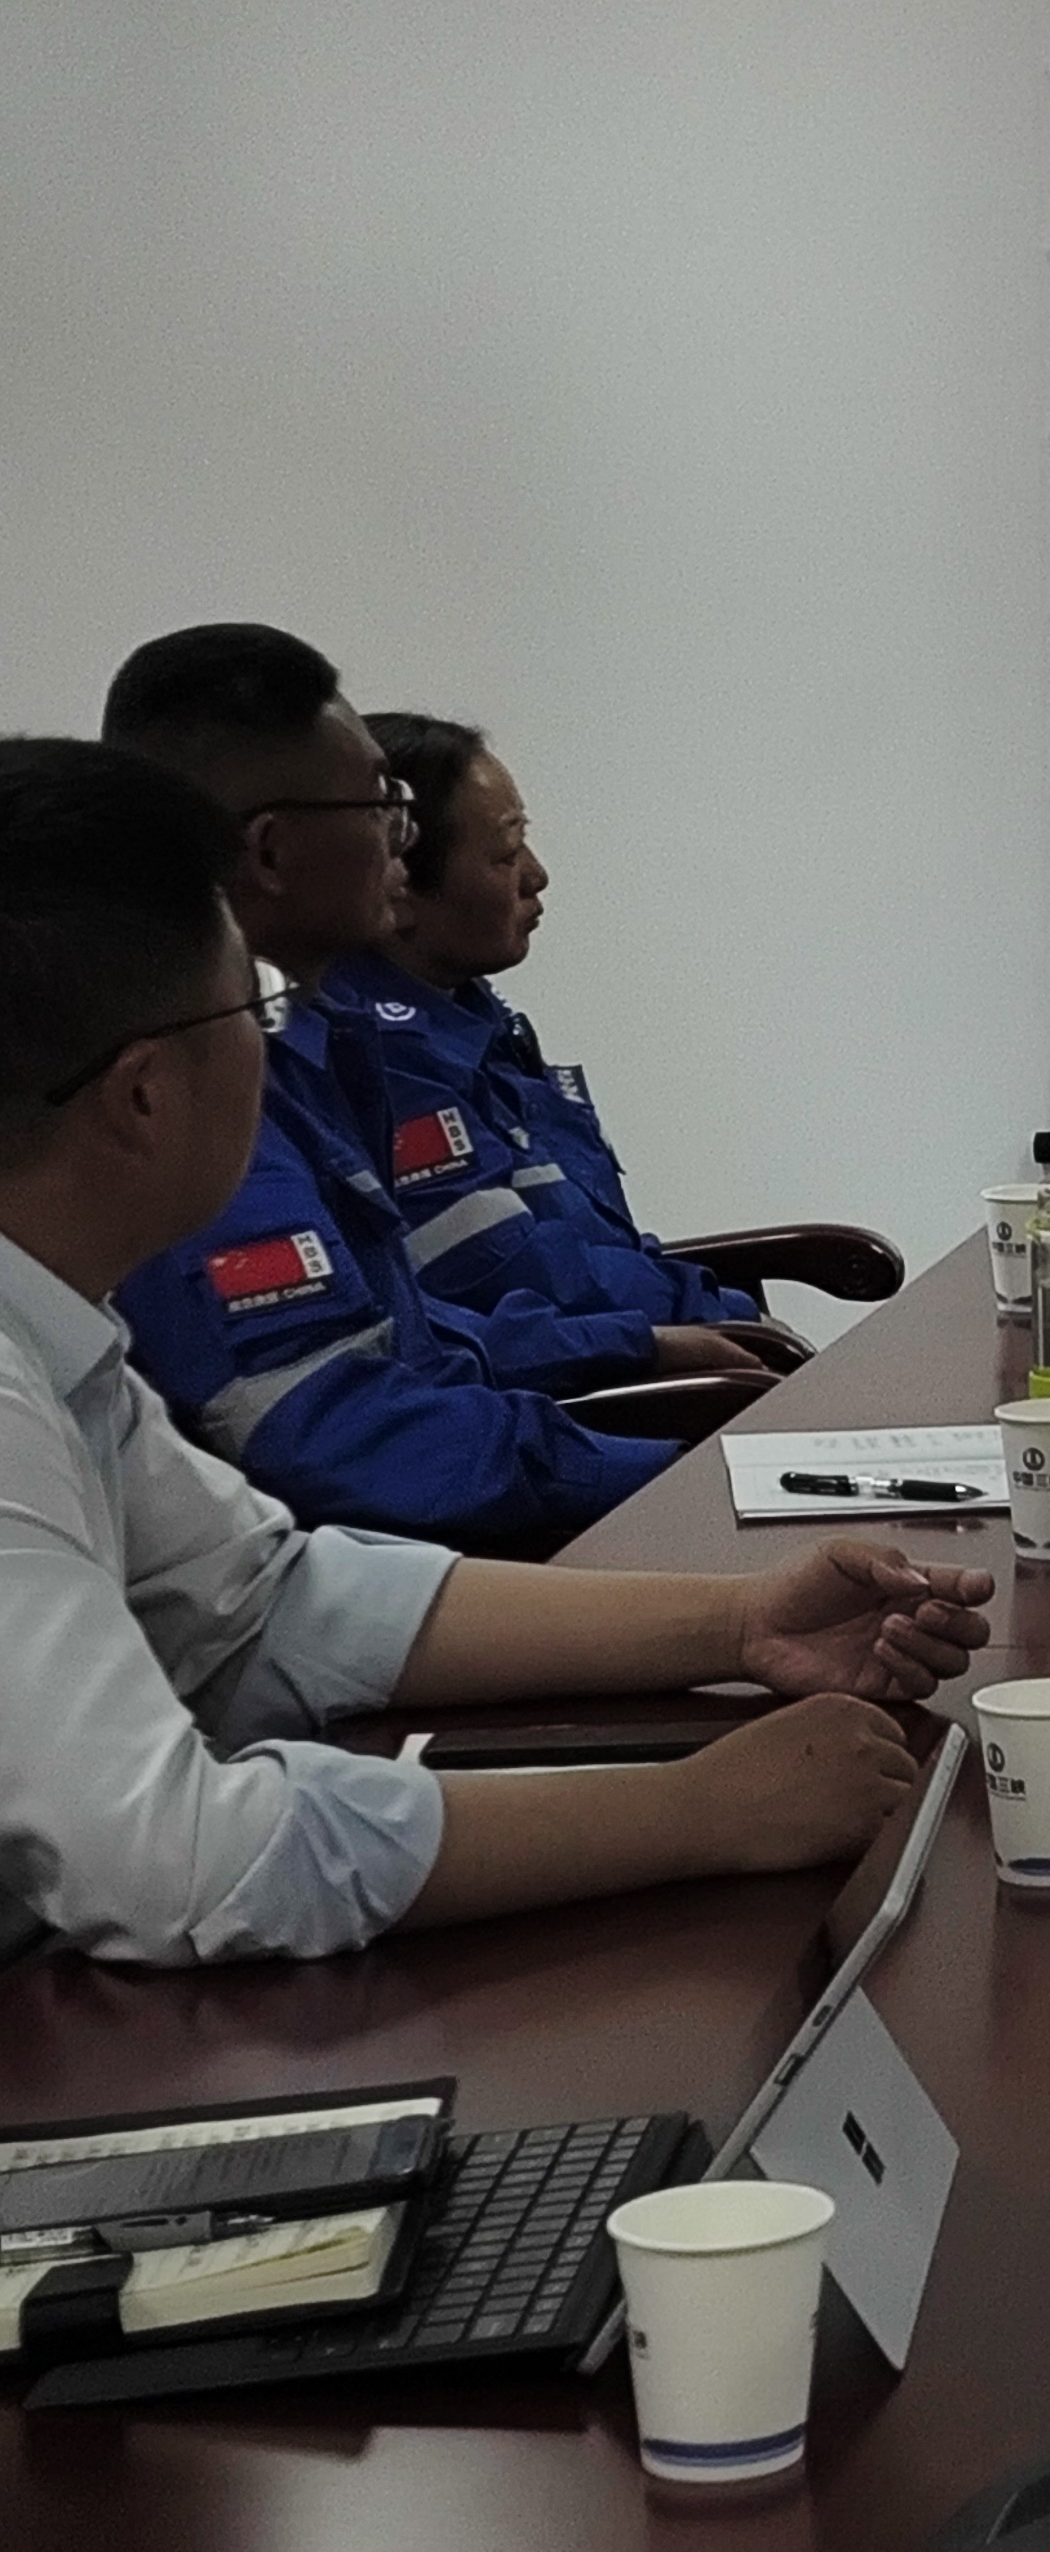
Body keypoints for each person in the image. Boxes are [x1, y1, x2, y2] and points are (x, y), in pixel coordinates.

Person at [0, 736, 980, 1967]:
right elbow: (187, 1862)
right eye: (251, 1009)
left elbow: (267, 1603)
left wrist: (739, 1622)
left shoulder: (59, 1343)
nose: (274, 1046)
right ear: (144, 1094)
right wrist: (697, 1810)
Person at [95, 629, 708, 1548]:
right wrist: (667, 1476)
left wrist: (634, 1351)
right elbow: (339, 1436)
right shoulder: (192, 1091)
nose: (402, 838)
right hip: (388, 1572)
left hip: (427, 1546)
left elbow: (400, 1335)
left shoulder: (302, 1048)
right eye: (383, 804)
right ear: (271, 852)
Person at [348, 711, 793, 1368]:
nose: (536, 876)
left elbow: (592, 1243)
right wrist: (716, 1312)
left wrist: (709, 1305)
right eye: (506, 855)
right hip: (588, 1387)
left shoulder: (474, 1019)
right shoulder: (387, 1059)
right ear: (400, 887)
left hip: (632, 1346)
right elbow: (510, 1273)